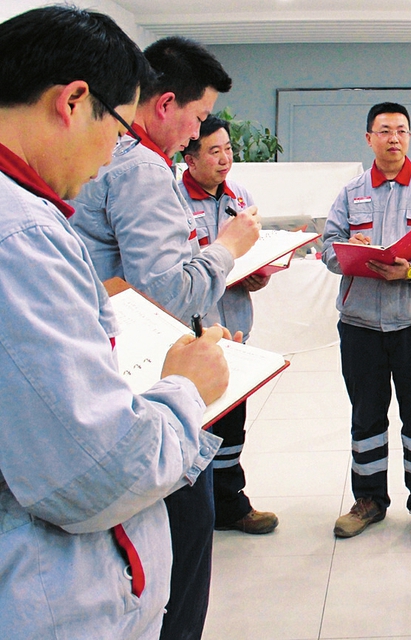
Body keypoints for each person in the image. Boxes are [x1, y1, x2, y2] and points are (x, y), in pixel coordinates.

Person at [0, 6, 231, 637]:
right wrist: (185, 388)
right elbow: (99, 473)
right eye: (119, 128)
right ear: (73, 102)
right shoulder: (20, 236)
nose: (111, 158)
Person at [69, 36, 259, 640]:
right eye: (199, 119)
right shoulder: (143, 167)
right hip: (149, 381)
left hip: (113, 373)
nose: (198, 136)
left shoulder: (112, 161)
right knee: (183, 538)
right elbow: (167, 291)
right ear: (165, 103)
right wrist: (228, 248)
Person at [320, 102, 411, 548]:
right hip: (360, 322)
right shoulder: (351, 192)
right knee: (366, 414)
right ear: (369, 138)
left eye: (401, 130)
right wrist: (349, 246)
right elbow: (327, 248)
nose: (393, 138)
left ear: (409, 137)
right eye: (384, 130)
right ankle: (369, 500)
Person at [180, 115, 279, 532]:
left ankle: (230, 503)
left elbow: (252, 252)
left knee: (233, 423)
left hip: (236, 328)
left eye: (228, 150)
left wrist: (259, 274)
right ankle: (195, 509)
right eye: (214, 152)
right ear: (189, 158)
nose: (225, 160)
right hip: (195, 334)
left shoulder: (240, 196)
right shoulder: (173, 201)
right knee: (196, 421)